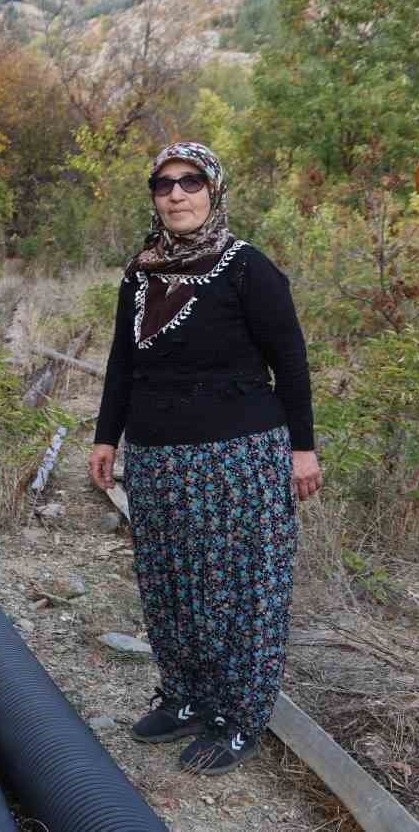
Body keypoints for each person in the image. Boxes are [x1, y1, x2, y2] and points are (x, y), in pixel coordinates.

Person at [88, 142, 323, 776]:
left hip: (238, 457)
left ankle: (239, 717)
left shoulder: (248, 268)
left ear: (213, 191)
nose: (177, 194)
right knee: (171, 586)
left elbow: (291, 363)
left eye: (191, 182)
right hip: (159, 458)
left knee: (239, 590)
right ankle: (188, 698)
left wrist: (303, 449)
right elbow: (122, 362)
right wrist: (107, 436)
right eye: (164, 185)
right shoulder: (141, 272)